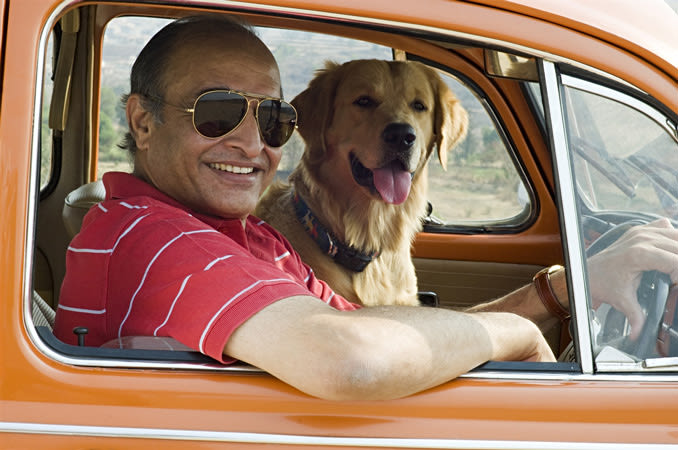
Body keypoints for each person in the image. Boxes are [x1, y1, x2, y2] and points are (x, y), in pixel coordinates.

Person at [53, 15, 678, 401]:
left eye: (272, 118)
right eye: (217, 112)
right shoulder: (159, 241)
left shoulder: (239, 238)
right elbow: (350, 358)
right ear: (142, 120)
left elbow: (382, 334)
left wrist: (559, 293)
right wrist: (516, 330)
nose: (251, 144)